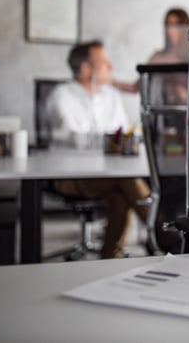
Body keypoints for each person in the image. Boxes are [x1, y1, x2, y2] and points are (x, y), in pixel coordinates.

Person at [46, 40, 151, 258]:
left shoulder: (111, 96)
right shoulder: (61, 95)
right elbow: (72, 137)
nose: (110, 67)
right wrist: (112, 140)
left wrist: (120, 140)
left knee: (120, 196)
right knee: (128, 180)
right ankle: (162, 231)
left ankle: (110, 256)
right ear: (86, 68)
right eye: (104, 62)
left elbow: (122, 134)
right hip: (72, 176)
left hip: (108, 173)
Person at [113, 7, 189, 104]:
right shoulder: (157, 57)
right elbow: (135, 87)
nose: (170, 30)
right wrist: (110, 81)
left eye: (176, 25)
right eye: (168, 25)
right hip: (161, 113)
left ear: (185, 27)